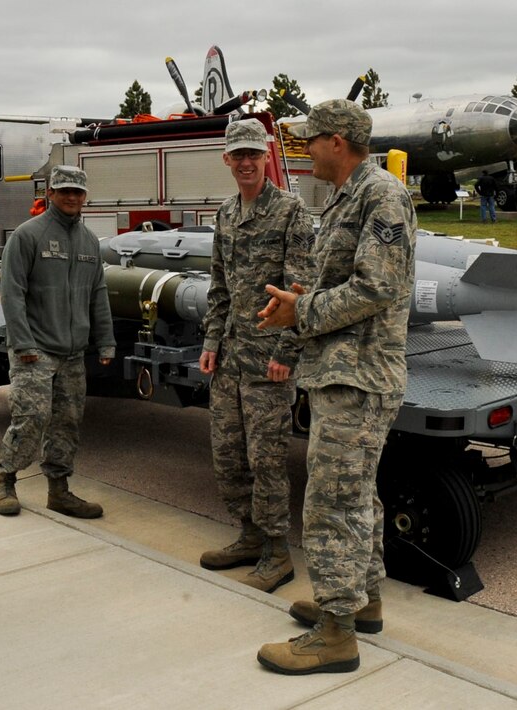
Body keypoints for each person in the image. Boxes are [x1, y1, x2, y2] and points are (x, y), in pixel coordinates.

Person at [254, 99, 416, 675]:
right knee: (357, 494)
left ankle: (336, 631)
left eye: (311, 139)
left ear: (339, 142)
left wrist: (304, 309)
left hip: (361, 374)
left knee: (332, 500)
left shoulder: (381, 195)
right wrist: (295, 309)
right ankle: (362, 599)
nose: (305, 148)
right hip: (339, 370)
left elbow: (376, 287)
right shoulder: (346, 197)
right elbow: (337, 283)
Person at [197, 119, 313, 593]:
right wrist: (210, 343)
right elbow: (219, 286)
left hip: (269, 360)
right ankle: (247, 534)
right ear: (226, 159)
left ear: (265, 157)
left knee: (266, 458)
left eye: (253, 154)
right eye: (237, 155)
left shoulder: (290, 212)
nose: (245, 162)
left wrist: (287, 350)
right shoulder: (225, 214)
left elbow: (301, 289)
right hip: (230, 358)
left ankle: (277, 550)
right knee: (228, 454)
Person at [0, 165, 115, 519]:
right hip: (36, 351)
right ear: (51, 193)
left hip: (73, 353)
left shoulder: (90, 241)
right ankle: (5, 480)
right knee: (31, 417)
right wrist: (24, 344)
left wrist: (105, 341)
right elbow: (11, 293)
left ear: (85, 196)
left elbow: (98, 293)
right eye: (65, 191)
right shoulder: (28, 235)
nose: (72, 197)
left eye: (78, 192)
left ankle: (58, 490)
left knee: (67, 422)